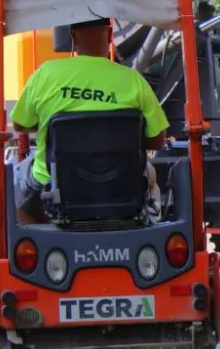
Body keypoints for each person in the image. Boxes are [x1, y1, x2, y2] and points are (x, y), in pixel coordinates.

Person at [10, 17, 169, 219]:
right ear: (110, 36)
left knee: (16, 179)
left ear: (73, 37)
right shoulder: (134, 80)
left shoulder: (45, 74)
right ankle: (149, 220)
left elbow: (20, 124)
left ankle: (30, 233)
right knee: (151, 174)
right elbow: (157, 140)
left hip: (53, 185)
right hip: (120, 186)